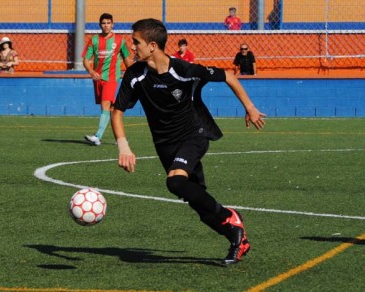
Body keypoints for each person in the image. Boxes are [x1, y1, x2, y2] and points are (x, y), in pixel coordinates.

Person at [111, 18, 266, 264]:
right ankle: (237, 238)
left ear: (152, 45)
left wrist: (250, 107)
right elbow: (117, 110)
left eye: (135, 42)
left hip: (194, 134)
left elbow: (227, 76)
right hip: (165, 145)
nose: (132, 47)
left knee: (175, 181)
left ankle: (230, 215)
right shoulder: (134, 75)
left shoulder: (183, 70)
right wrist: (123, 145)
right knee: (199, 204)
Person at [82, 13, 132, 146]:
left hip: (111, 78)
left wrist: (132, 73)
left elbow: (127, 58)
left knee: (105, 105)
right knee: (111, 109)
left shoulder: (119, 40)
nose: (106, 25)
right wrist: (92, 71)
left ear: (112, 24)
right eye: (104, 23)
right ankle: (120, 138)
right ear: (100, 25)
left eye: (108, 23)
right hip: (97, 79)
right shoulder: (94, 40)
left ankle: (97, 136)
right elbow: (86, 60)